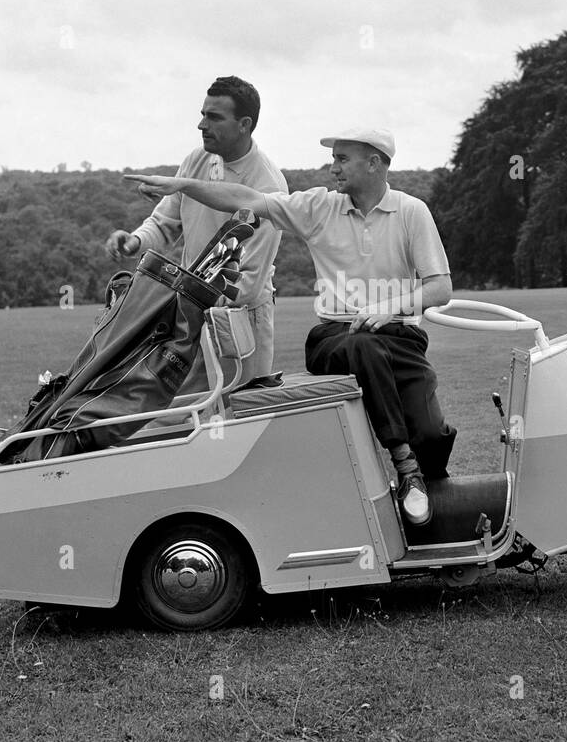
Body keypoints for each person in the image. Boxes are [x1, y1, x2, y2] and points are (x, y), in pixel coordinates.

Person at [128, 128, 456, 527]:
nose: (332, 168)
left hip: (400, 339)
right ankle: (406, 467)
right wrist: (183, 185)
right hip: (336, 339)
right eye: (333, 159)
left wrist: (390, 307)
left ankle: (437, 499)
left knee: (433, 434)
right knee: (363, 347)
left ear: (374, 163)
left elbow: (440, 288)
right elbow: (246, 199)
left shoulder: (411, 211)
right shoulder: (318, 207)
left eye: (342, 159)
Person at [106, 76, 287, 384]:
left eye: (214, 117)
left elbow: (247, 284)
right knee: (188, 408)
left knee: (237, 407)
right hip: (190, 312)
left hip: (240, 320)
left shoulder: (268, 185)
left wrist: (183, 304)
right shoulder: (196, 159)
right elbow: (164, 223)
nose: (201, 125)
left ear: (244, 124)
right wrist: (135, 241)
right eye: (203, 114)